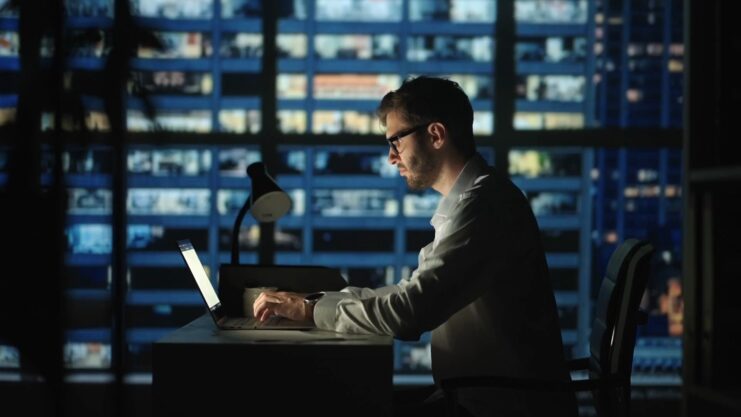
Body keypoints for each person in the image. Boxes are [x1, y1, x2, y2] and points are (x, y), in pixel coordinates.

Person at [253, 76, 578, 417]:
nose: (392, 157)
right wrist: (314, 303)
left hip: (495, 407)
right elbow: (410, 294)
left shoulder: (484, 207)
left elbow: (411, 312)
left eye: (396, 141)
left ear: (436, 134)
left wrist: (309, 311)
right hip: (475, 398)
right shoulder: (473, 201)